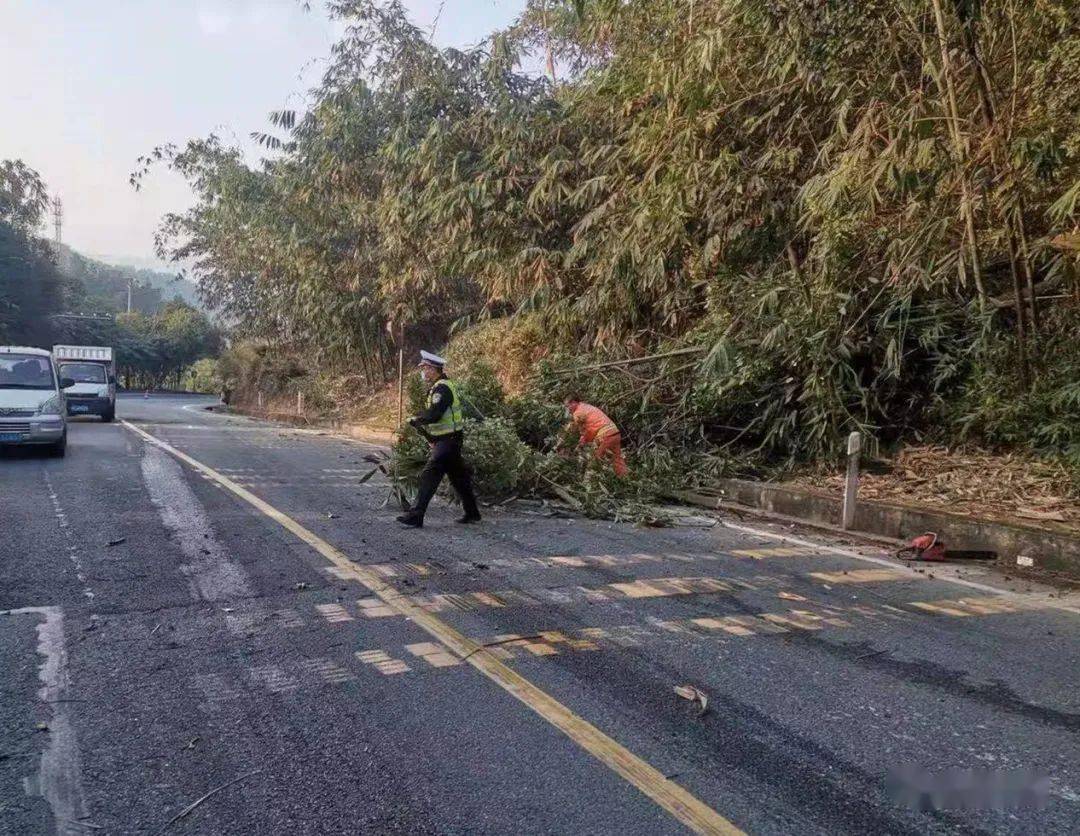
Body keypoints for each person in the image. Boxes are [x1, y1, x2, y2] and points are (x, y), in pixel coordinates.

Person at [396, 351, 481, 528]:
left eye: (425, 368)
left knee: (430, 474)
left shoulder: (442, 388)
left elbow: (435, 415)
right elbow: (436, 416)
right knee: (459, 478)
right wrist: (429, 434)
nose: (423, 372)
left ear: (433, 369)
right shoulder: (439, 386)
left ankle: (416, 515)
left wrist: (417, 419)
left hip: (448, 441)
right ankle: (473, 513)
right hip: (449, 440)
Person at [562, 396, 629, 477]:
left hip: (604, 435)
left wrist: (583, 440)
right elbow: (591, 426)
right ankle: (625, 478)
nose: (568, 409)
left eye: (568, 406)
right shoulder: (587, 406)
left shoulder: (577, 413)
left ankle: (589, 481)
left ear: (573, 402)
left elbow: (585, 431)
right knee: (617, 459)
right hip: (615, 432)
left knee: (594, 460)